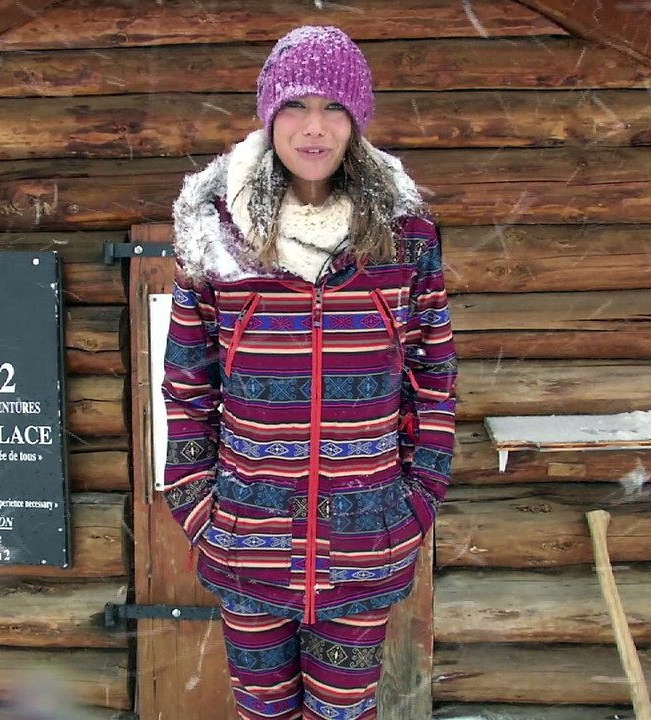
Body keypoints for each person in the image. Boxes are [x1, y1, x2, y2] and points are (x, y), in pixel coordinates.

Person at [161, 25, 457, 720]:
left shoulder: (404, 237)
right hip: (246, 543)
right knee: (261, 713)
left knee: (344, 713)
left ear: (357, 120)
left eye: (334, 109)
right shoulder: (218, 233)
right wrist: (203, 511)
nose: (314, 128)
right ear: (269, 119)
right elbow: (187, 386)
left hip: (367, 547)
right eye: (296, 107)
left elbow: (432, 377)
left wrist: (415, 507)